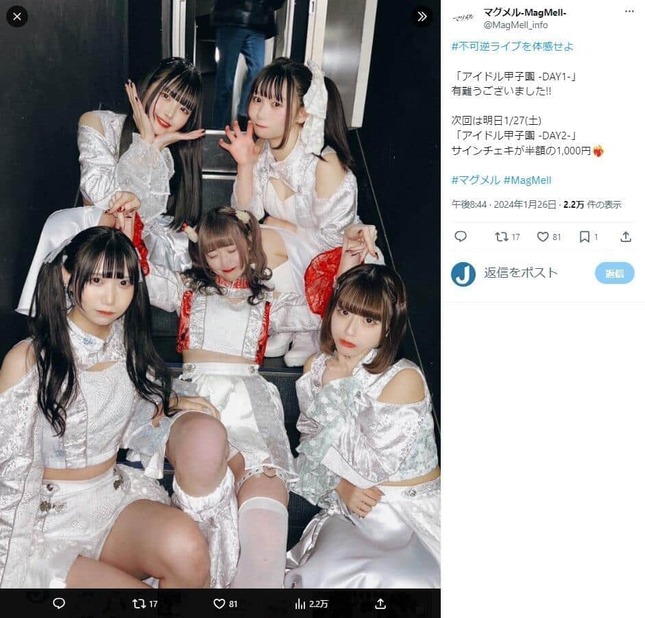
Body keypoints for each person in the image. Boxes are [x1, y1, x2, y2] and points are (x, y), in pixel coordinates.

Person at [140, 207, 371, 587]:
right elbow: (144, 277)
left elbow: (320, 312)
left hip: (250, 402)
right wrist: (128, 228)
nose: (223, 260)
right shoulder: (187, 288)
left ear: (248, 243)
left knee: (267, 510)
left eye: (230, 249)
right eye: (212, 253)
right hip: (198, 397)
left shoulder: (267, 300)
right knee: (203, 477)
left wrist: (347, 260)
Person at [0, 227, 237, 588]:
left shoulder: (124, 341)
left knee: (187, 550)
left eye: (123, 282)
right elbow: (11, 479)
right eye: (96, 280)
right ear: (66, 276)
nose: (110, 297)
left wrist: (169, 400)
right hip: (44, 528)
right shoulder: (30, 359)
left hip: (110, 500)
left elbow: (126, 401)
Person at [284, 264, 441, 588]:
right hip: (353, 506)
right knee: (326, 572)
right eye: (344, 312)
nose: (350, 330)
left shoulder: (404, 378)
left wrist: (335, 390)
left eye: (369, 320)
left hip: (410, 513)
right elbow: (311, 447)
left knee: (394, 579)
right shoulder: (316, 367)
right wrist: (339, 486)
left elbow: (370, 468)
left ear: (388, 327)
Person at [16, 57, 205, 316]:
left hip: (137, 241)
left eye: (184, 108)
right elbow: (103, 199)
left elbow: (141, 218)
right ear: (148, 85)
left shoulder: (169, 155)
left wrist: (154, 147)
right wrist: (146, 144)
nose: (170, 113)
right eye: (166, 96)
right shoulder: (97, 122)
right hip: (94, 234)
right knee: (84, 220)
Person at [220, 57, 371, 366]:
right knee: (246, 238)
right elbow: (245, 216)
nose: (260, 112)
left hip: (337, 258)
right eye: (258, 99)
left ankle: (309, 328)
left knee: (263, 237)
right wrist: (246, 165)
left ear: (303, 113)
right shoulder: (262, 150)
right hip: (297, 252)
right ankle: (286, 324)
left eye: (276, 104)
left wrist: (283, 226)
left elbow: (334, 241)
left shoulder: (324, 163)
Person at [210, 0, 285, 129]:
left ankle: (243, 116)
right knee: (225, 82)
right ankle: (217, 128)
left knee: (257, 72)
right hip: (232, 19)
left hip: (258, 22)